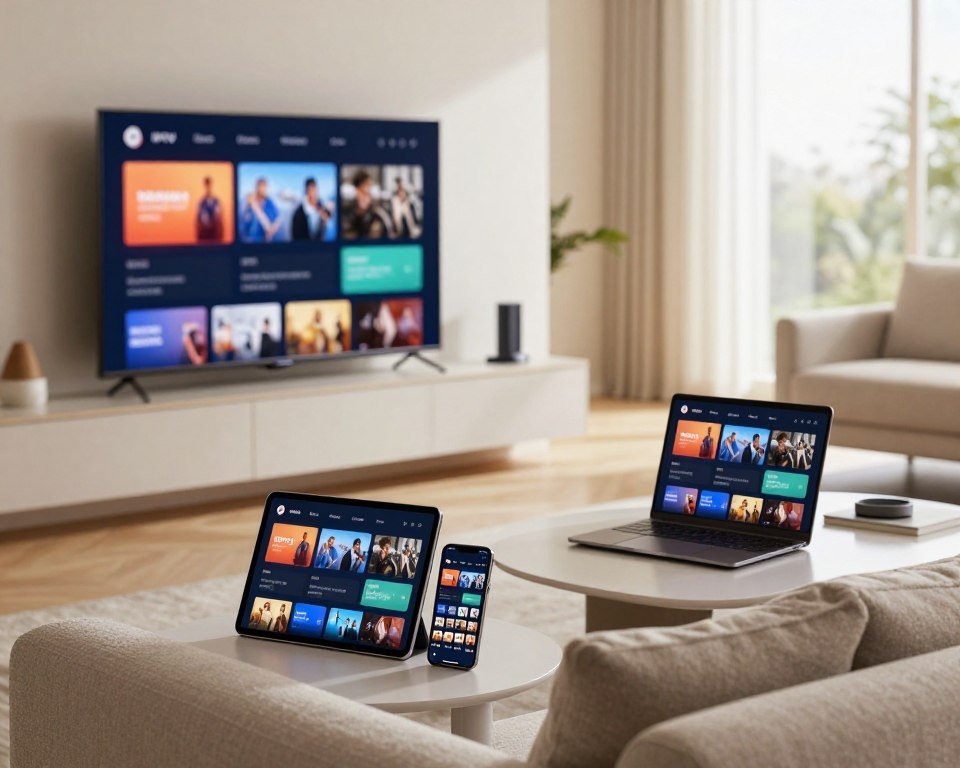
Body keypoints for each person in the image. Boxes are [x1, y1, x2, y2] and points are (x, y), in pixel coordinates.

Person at [343, 169, 388, 239]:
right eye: (363, 190)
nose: (367, 192)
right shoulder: (346, 215)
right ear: (356, 190)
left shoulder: (378, 215)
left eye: (369, 187)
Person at [240, 177, 282, 242]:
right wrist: (250, 205)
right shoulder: (250, 200)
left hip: (265, 239)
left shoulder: (269, 201)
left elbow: (278, 218)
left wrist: (272, 230)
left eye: (264, 187)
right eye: (260, 186)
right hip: (251, 239)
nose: (262, 189)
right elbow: (244, 218)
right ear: (256, 188)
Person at [196, 176, 224, 242]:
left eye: (209, 185)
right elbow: (198, 219)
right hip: (204, 234)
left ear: (211, 185)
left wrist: (220, 233)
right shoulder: (201, 202)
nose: (208, 187)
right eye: (206, 185)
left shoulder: (216, 201)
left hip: (215, 234)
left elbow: (220, 218)